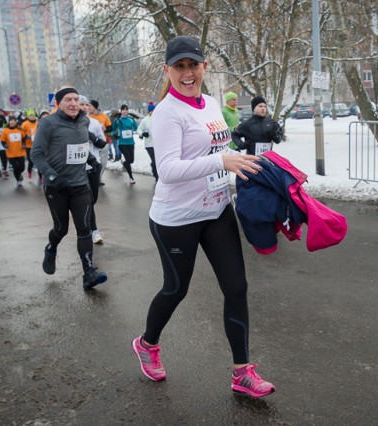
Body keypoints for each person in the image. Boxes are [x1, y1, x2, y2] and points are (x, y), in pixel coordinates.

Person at [131, 35, 275, 398]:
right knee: (176, 289)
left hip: (215, 208)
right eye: (179, 66)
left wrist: (241, 161)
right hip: (176, 217)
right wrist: (221, 161)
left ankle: (241, 371)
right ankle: (147, 344)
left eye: (193, 64)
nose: (187, 72)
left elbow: (217, 146)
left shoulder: (210, 103)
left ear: (204, 68)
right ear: (168, 71)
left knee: (236, 287)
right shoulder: (166, 113)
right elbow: (168, 170)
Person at [30, 86, 108, 290]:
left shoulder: (84, 121)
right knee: (61, 229)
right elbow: (36, 154)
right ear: (58, 104)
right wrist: (53, 176)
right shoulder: (48, 123)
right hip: (57, 187)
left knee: (84, 229)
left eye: (76, 99)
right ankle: (51, 247)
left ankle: (89, 272)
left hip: (80, 185)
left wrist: (92, 160)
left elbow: (80, 146)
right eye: (68, 100)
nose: (73, 103)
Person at [79, 95, 107, 244]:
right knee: (88, 200)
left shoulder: (95, 123)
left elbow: (102, 144)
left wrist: (91, 137)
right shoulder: (71, 124)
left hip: (93, 165)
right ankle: (94, 230)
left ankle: (87, 222)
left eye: (86, 104)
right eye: (81, 104)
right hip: (79, 169)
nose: (84, 107)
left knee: (93, 199)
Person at [112, 104, 138, 184]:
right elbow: (113, 129)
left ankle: (124, 163)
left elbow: (137, 128)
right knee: (128, 159)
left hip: (131, 142)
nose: (124, 111)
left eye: (126, 110)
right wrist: (115, 134)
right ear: (121, 111)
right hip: (122, 143)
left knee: (131, 160)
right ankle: (131, 177)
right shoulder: (117, 120)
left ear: (128, 111)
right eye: (123, 110)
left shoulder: (131, 119)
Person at [88, 100, 112, 184]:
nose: (88, 107)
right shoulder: (87, 117)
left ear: (95, 107)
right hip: (92, 144)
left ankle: (99, 177)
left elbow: (110, 128)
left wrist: (105, 129)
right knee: (95, 161)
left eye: (90, 105)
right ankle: (95, 179)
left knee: (103, 163)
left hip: (103, 142)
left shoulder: (104, 116)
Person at [0, 116, 27, 187]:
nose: (12, 122)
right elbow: (2, 141)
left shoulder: (20, 129)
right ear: (8, 122)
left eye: (14, 120)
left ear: (16, 122)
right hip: (11, 153)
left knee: (22, 168)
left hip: (20, 152)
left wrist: (24, 144)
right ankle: (18, 181)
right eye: (11, 120)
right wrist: (5, 145)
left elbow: (24, 138)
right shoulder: (5, 130)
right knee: (15, 167)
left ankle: (19, 173)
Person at [137, 102, 158, 182]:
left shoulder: (159, 118)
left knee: (158, 161)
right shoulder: (145, 120)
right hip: (149, 144)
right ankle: (156, 176)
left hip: (158, 144)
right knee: (155, 160)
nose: (152, 112)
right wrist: (143, 133)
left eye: (153, 110)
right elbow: (138, 130)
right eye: (151, 111)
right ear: (149, 111)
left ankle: (156, 171)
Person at [21, 110, 39, 179]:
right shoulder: (24, 124)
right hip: (29, 145)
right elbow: (21, 134)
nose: (32, 117)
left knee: (38, 160)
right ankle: (29, 171)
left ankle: (40, 176)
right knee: (31, 160)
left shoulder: (38, 123)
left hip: (37, 144)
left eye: (33, 115)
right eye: (30, 116)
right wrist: (26, 136)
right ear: (28, 116)